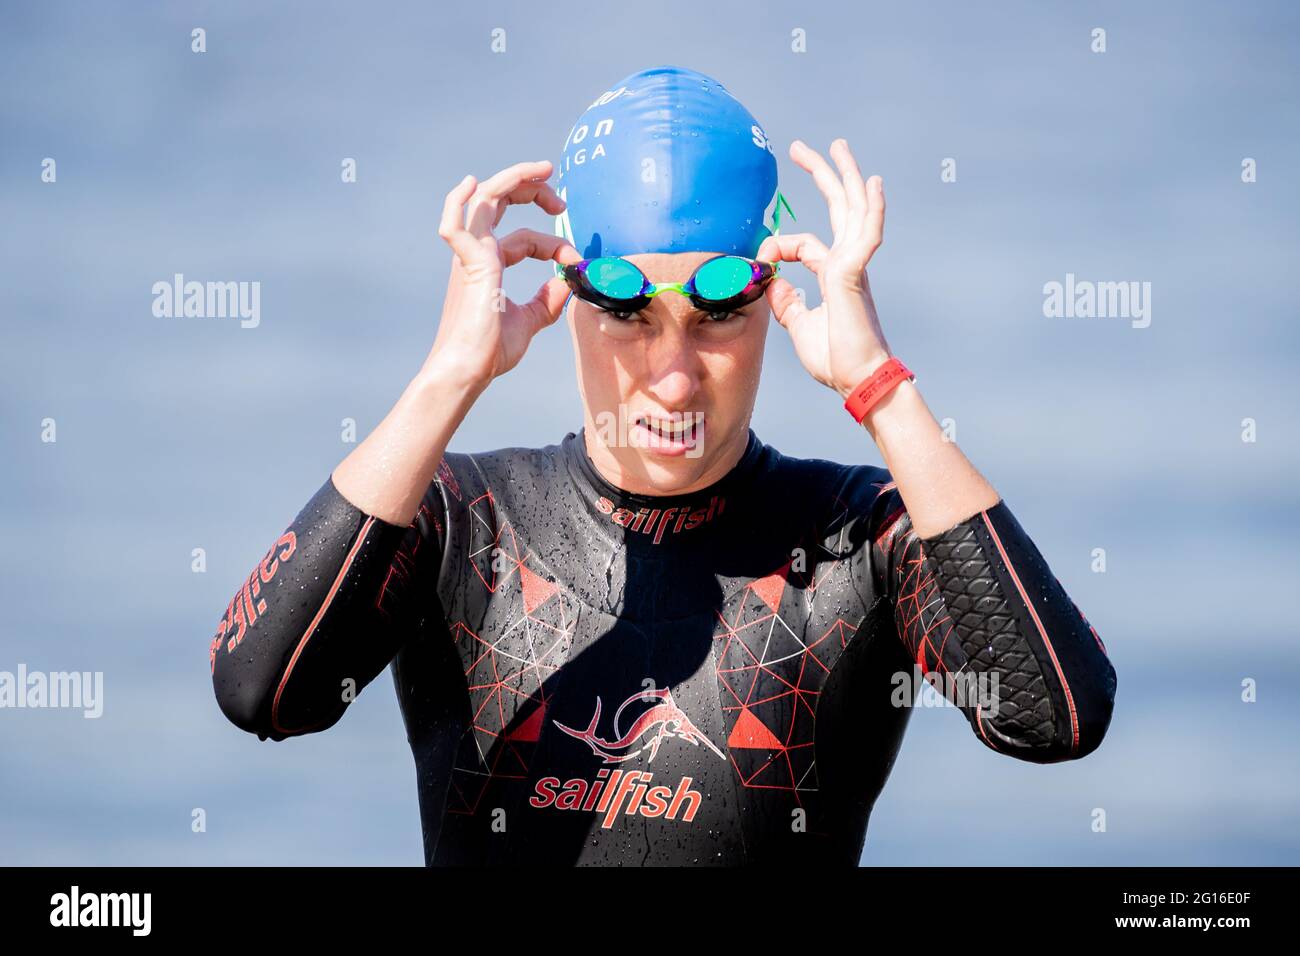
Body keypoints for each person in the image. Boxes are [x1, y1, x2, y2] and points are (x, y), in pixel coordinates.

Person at [209, 65, 1117, 866]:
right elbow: (262, 691)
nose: (674, 376)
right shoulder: (458, 518)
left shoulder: (857, 538)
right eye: (628, 313)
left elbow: (1056, 718)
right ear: (568, 298)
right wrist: (450, 375)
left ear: (773, 303)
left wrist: (881, 388)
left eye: (719, 316)